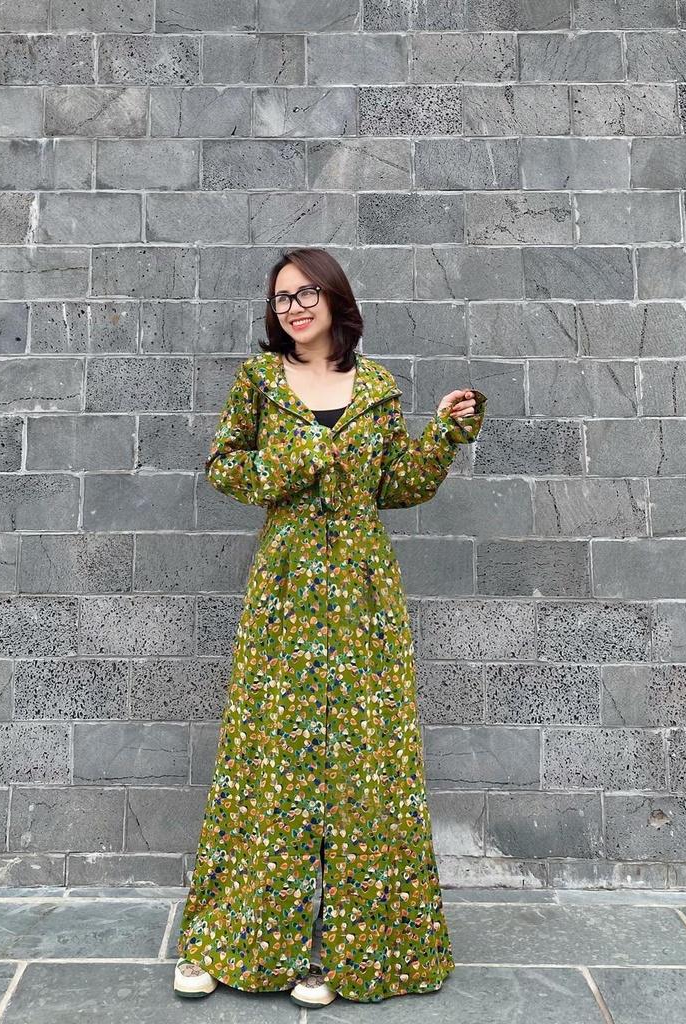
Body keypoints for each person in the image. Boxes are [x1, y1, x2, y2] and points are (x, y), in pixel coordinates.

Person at [173, 247, 487, 1007]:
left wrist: (445, 435)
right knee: (269, 761)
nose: (294, 307)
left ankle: (353, 955)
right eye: (282, 297)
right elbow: (225, 466)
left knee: (368, 766)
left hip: (362, 593)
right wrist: (298, 463)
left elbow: (396, 486)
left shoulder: (376, 388)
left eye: (307, 293)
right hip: (284, 592)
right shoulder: (258, 382)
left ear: (335, 299)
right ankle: (234, 942)